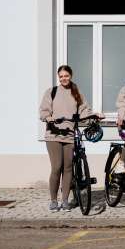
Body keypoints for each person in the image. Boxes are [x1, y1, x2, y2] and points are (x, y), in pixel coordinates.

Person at [38, 65, 96, 211]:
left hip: (70, 135)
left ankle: (64, 200)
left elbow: (84, 111)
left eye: (66, 76)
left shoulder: (76, 92)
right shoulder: (51, 92)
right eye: (61, 76)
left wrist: (93, 115)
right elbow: (43, 111)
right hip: (54, 134)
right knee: (57, 167)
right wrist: (49, 118)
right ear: (59, 77)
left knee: (68, 168)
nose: (64, 78)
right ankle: (53, 200)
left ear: (71, 76)